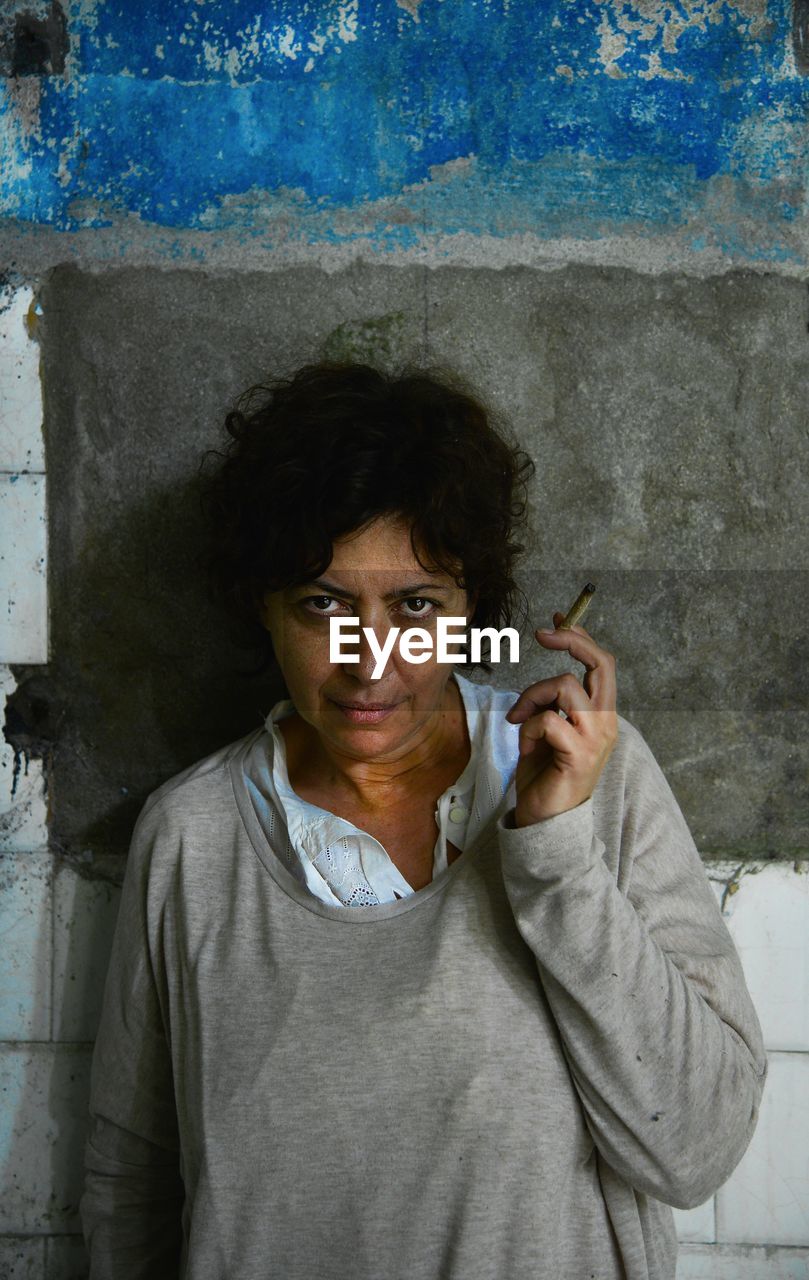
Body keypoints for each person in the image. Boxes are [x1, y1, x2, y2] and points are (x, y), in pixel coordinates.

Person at [80, 361, 767, 1280]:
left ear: (470, 609)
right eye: (324, 605)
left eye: (415, 607)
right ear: (265, 609)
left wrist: (554, 855)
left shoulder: (591, 777)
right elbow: (131, 1185)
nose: (372, 667)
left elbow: (694, 1149)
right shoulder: (191, 839)